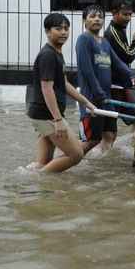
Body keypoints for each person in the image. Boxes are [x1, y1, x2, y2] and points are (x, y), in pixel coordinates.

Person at [26, 12, 98, 173]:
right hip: (48, 115)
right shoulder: (48, 56)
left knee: (43, 162)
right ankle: (36, 178)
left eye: (66, 29)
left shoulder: (56, 53)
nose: (63, 32)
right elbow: (47, 88)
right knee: (76, 154)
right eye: (58, 29)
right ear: (47, 31)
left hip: (46, 114)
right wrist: (58, 119)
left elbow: (63, 84)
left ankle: (37, 187)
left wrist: (86, 102)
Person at [76, 4, 135, 154]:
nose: (97, 19)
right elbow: (87, 72)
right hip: (91, 100)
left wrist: (131, 75)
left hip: (105, 99)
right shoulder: (84, 40)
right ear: (84, 21)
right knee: (90, 140)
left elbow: (118, 62)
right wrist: (99, 94)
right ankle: (70, 160)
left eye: (100, 17)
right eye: (92, 16)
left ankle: (98, 164)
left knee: (110, 135)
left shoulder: (104, 42)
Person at [104, 0, 135, 120]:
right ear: (114, 13)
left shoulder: (118, 30)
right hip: (115, 85)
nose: (128, 18)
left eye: (130, 14)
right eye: (125, 14)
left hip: (120, 84)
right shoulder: (113, 33)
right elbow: (128, 56)